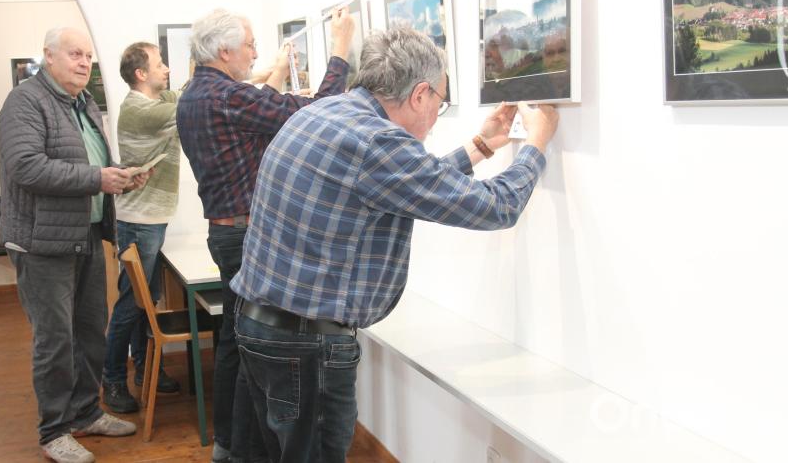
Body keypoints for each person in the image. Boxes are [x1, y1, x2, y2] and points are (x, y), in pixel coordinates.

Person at [230, 26, 559, 463]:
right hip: (304, 347)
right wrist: (537, 143)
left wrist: (479, 147)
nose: (437, 114)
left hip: (261, 328)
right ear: (420, 93)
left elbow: (398, 183)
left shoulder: (326, 113)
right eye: (440, 102)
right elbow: (496, 207)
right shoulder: (378, 143)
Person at [176, 7, 354, 463]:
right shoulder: (227, 97)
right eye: (250, 44)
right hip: (245, 237)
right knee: (248, 347)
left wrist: (274, 75)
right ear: (224, 51)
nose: (255, 51)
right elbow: (316, 113)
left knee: (237, 343)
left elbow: (254, 113)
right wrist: (340, 50)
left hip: (227, 232)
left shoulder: (197, 93)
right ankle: (239, 449)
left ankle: (232, 445)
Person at [0, 27, 149, 463]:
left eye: (88, 56)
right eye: (75, 55)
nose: (85, 63)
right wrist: (96, 179)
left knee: (88, 331)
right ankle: (54, 431)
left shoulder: (82, 103)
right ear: (48, 57)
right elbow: (27, 167)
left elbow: (87, 161)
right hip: (40, 243)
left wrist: (120, 173)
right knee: (55, 341)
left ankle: (85, 412)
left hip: (82, 234)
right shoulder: (24, 101)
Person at [102, 42, 183, 413]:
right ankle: (114, 380)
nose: (166, 69)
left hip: (151, 218)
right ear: (140, 74)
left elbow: (183, 92)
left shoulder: (155, 101)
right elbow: (190, 103)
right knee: (131, 307)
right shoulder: (139, 109)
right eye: (159, 63)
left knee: (144, 302)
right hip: (139, 222)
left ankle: (147, 373)